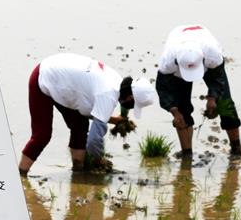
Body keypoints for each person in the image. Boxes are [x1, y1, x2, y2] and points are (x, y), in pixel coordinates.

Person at [19, 53, 156, 175]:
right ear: (130, 98)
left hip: (61, 78)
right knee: (42, 135)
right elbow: (93, 141)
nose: (131, 108)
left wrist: (117, 120)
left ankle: (78, 171)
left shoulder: (116, 81)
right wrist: (99, 159)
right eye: (133, 105)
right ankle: (20, 174)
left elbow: (92, 112)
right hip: (43, 78)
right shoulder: (108, 95)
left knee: (80, 124)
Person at [155, 24, 241, 159]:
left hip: (204, 44)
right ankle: (187, 155)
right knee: (181, 110)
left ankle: (236, 149)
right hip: (178, 49)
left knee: (225, 102)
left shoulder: (212, 54)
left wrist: (212, 98)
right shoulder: (168, 62)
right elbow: (163, 89)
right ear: (178, 63)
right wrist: (174, 111)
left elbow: (218, 80)